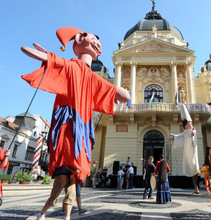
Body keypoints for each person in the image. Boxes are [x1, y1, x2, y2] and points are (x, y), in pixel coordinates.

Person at [21, 27, 130, 181]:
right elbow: (125, 95)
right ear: (79, 40)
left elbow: (123, 95)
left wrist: (47, 57)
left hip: (83, 120)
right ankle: (63, 187)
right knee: (67, 148)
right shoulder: (71, 67)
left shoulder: (92, 77)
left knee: (77, 155)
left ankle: (69, 188)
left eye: (98, 42)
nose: (97, 44)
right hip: (69, 115)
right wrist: (48, 57)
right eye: (94, 40)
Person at [167, 105, 200, 194]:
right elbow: (182, 137)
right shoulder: (186, 132)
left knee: (194, 166)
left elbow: (191, 135)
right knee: (190, 166)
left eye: (186, 122)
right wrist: (174, 137)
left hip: (192, 150)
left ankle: (197, 187)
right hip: (187, 150)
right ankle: (196, 187)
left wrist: (193, 133)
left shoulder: (192, 130)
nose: (185, 124)